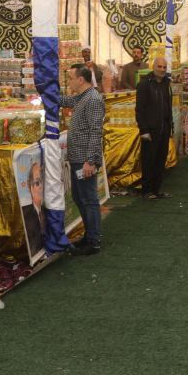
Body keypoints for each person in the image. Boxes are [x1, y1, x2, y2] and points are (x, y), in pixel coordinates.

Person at [60, 64, 106, 255]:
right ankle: (89, 236)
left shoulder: (93, 99)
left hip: (84, 159)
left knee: (89, 199)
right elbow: (66, 100)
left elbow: (96, 131)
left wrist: (90, 161)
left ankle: (93, 241)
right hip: (78, 157)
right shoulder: (83, 96)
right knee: (80, 197)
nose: (69, 81)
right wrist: (46, 92)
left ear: (80, 80)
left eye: (71, 78)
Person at [135, 56, 173, 200]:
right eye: (159, 66)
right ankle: (146, 191)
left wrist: (170, 126)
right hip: (150, 131)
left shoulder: (166, 83)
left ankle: (156, 190)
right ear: (153, 66)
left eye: (164, 67)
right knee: (148, 161)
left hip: (164, 129)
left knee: (160, 161)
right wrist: (143, 130)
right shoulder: (144, 84)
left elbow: (168, 106)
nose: (162, 69)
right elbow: (140, 109)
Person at [19, 160, 45, 259]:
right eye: (37, 182)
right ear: (30, 187)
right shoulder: (25, 215)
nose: (42, 186)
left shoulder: (49, 209)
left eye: (43, 180)